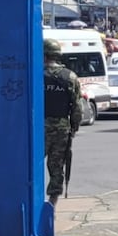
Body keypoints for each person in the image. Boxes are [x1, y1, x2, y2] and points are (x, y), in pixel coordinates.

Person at [42, 39, 84, 206]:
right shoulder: (69, 76)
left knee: (33, 164)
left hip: (38, 128)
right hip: (61, 128)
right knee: (57, 166)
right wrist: (74, 127)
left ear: (43, 55)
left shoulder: (36, 74)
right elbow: (77, 107)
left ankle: (34, 201)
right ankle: (52, 204)